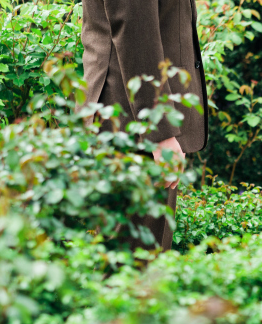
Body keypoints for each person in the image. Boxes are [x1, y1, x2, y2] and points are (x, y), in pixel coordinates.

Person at [81, 0, 208, 251]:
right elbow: (135, 34)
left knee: (134, 258)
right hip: (133, 121)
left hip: (129, 118)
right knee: (137, 261)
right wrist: (160, 131)